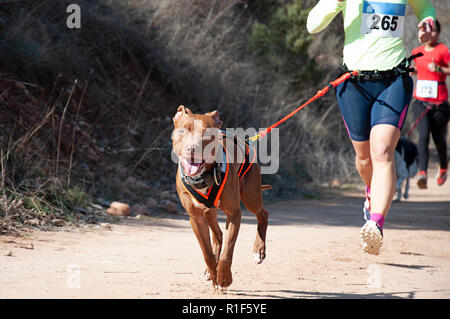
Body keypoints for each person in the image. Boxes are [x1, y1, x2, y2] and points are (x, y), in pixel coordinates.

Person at [307, 0, 435, 255]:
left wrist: (428, 23)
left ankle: (375, 223)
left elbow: (426, 9)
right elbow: (313, 25)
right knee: (364, 158)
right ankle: (371, 191)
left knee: (383, 151)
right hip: (353, 83)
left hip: (393, 80)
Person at [411, 20, 450, 189]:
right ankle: (422, 173)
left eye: (434, 31)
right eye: (429, 30)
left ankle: (443, 167)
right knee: (423, 136)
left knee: (439, 139)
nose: (431, 34)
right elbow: (415, 69)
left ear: (438, 33)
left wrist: (440, 69)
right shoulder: (417, 52)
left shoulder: (443, 50)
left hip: (439, 103)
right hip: (420, 101)